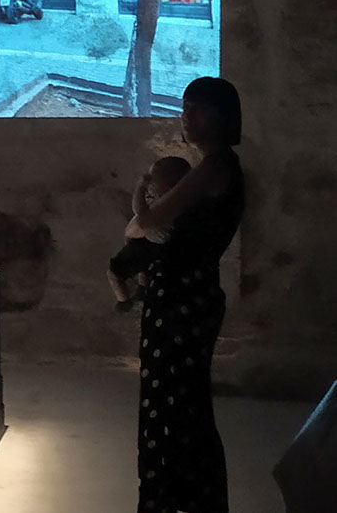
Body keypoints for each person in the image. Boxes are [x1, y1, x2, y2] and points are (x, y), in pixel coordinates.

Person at [124, 77, 244, 513]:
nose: (186, 116)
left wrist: (139, 196)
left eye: (197, 108)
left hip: (182, 300)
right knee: (181, 406)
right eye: (185, 106)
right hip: (188, 295)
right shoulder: (219, 166)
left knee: (172, 408)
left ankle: (171, 501)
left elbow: (149, 221)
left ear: (222, 116)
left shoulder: (213, 169)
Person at [108, 156, 192, 312]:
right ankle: (142, 287)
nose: (150, 183)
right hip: (163, 247)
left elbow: (139, 212)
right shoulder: (184, 203)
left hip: (150, 245)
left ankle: (123, 301)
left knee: (114, 273)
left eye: (154, 179)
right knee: (144, 268)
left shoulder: (163, 205)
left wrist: (141, 186)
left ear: (169, 187)